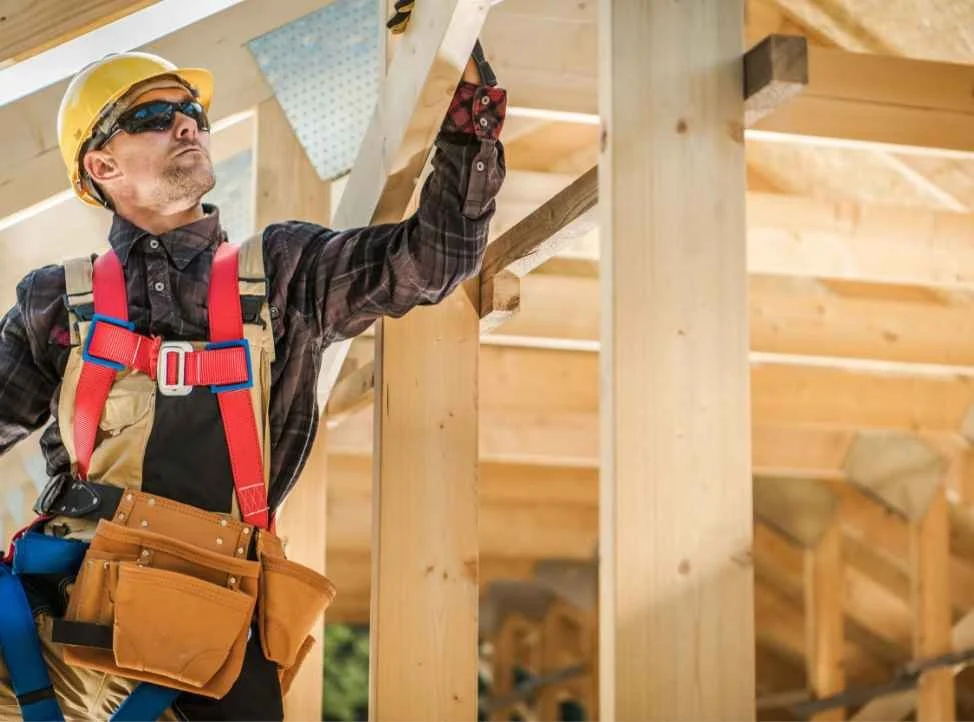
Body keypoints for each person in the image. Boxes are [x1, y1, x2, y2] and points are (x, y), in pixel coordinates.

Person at [0, 38, 506, 722]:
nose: (187, 124)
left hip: (209, 633)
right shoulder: (54, 300)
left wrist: (467, 103)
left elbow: (433, 258)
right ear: (102, 163)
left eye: (193, 114)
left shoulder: (282, 275)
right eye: (154, 116)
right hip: (58, 618)